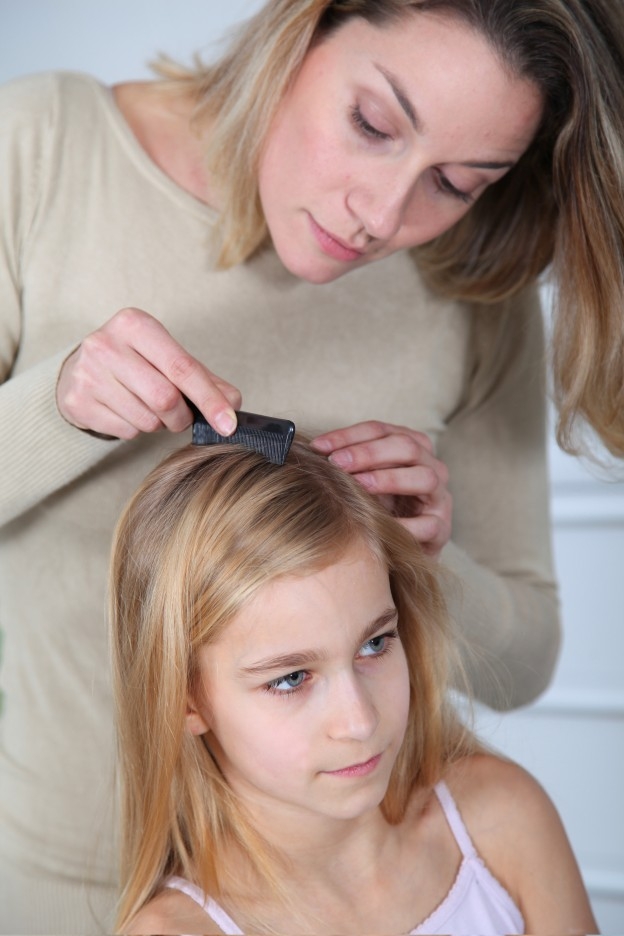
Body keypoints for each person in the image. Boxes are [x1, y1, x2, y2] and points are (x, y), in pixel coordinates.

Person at [1, 0, 623, 930]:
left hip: (354, 894)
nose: (382, 215)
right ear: (305, 28)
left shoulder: (469, 290)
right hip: (60, 882)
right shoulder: (42, 148)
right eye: (372, 125)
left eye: (456, 181)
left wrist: (415, 555)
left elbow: (522, 663)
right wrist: (57, 408)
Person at [110, 438, 597, 935]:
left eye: (375, 644)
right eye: (291, 678)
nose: (360, 720)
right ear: (186, 700)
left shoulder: (502, 820)